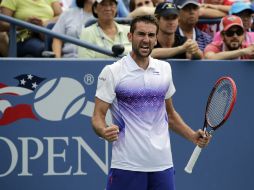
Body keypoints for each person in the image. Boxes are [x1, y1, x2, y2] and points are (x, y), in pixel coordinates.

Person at [92, 15, 211, 190]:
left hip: (162, 164)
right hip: (127, 165)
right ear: (130, 36)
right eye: (141, 34)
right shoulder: (112, 72)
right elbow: (98, 115)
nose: (146, 40)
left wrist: (192, 136)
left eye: (151, 35)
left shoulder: (164, 69)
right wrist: (103, 131)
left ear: (156, 39)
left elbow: (169, 115)